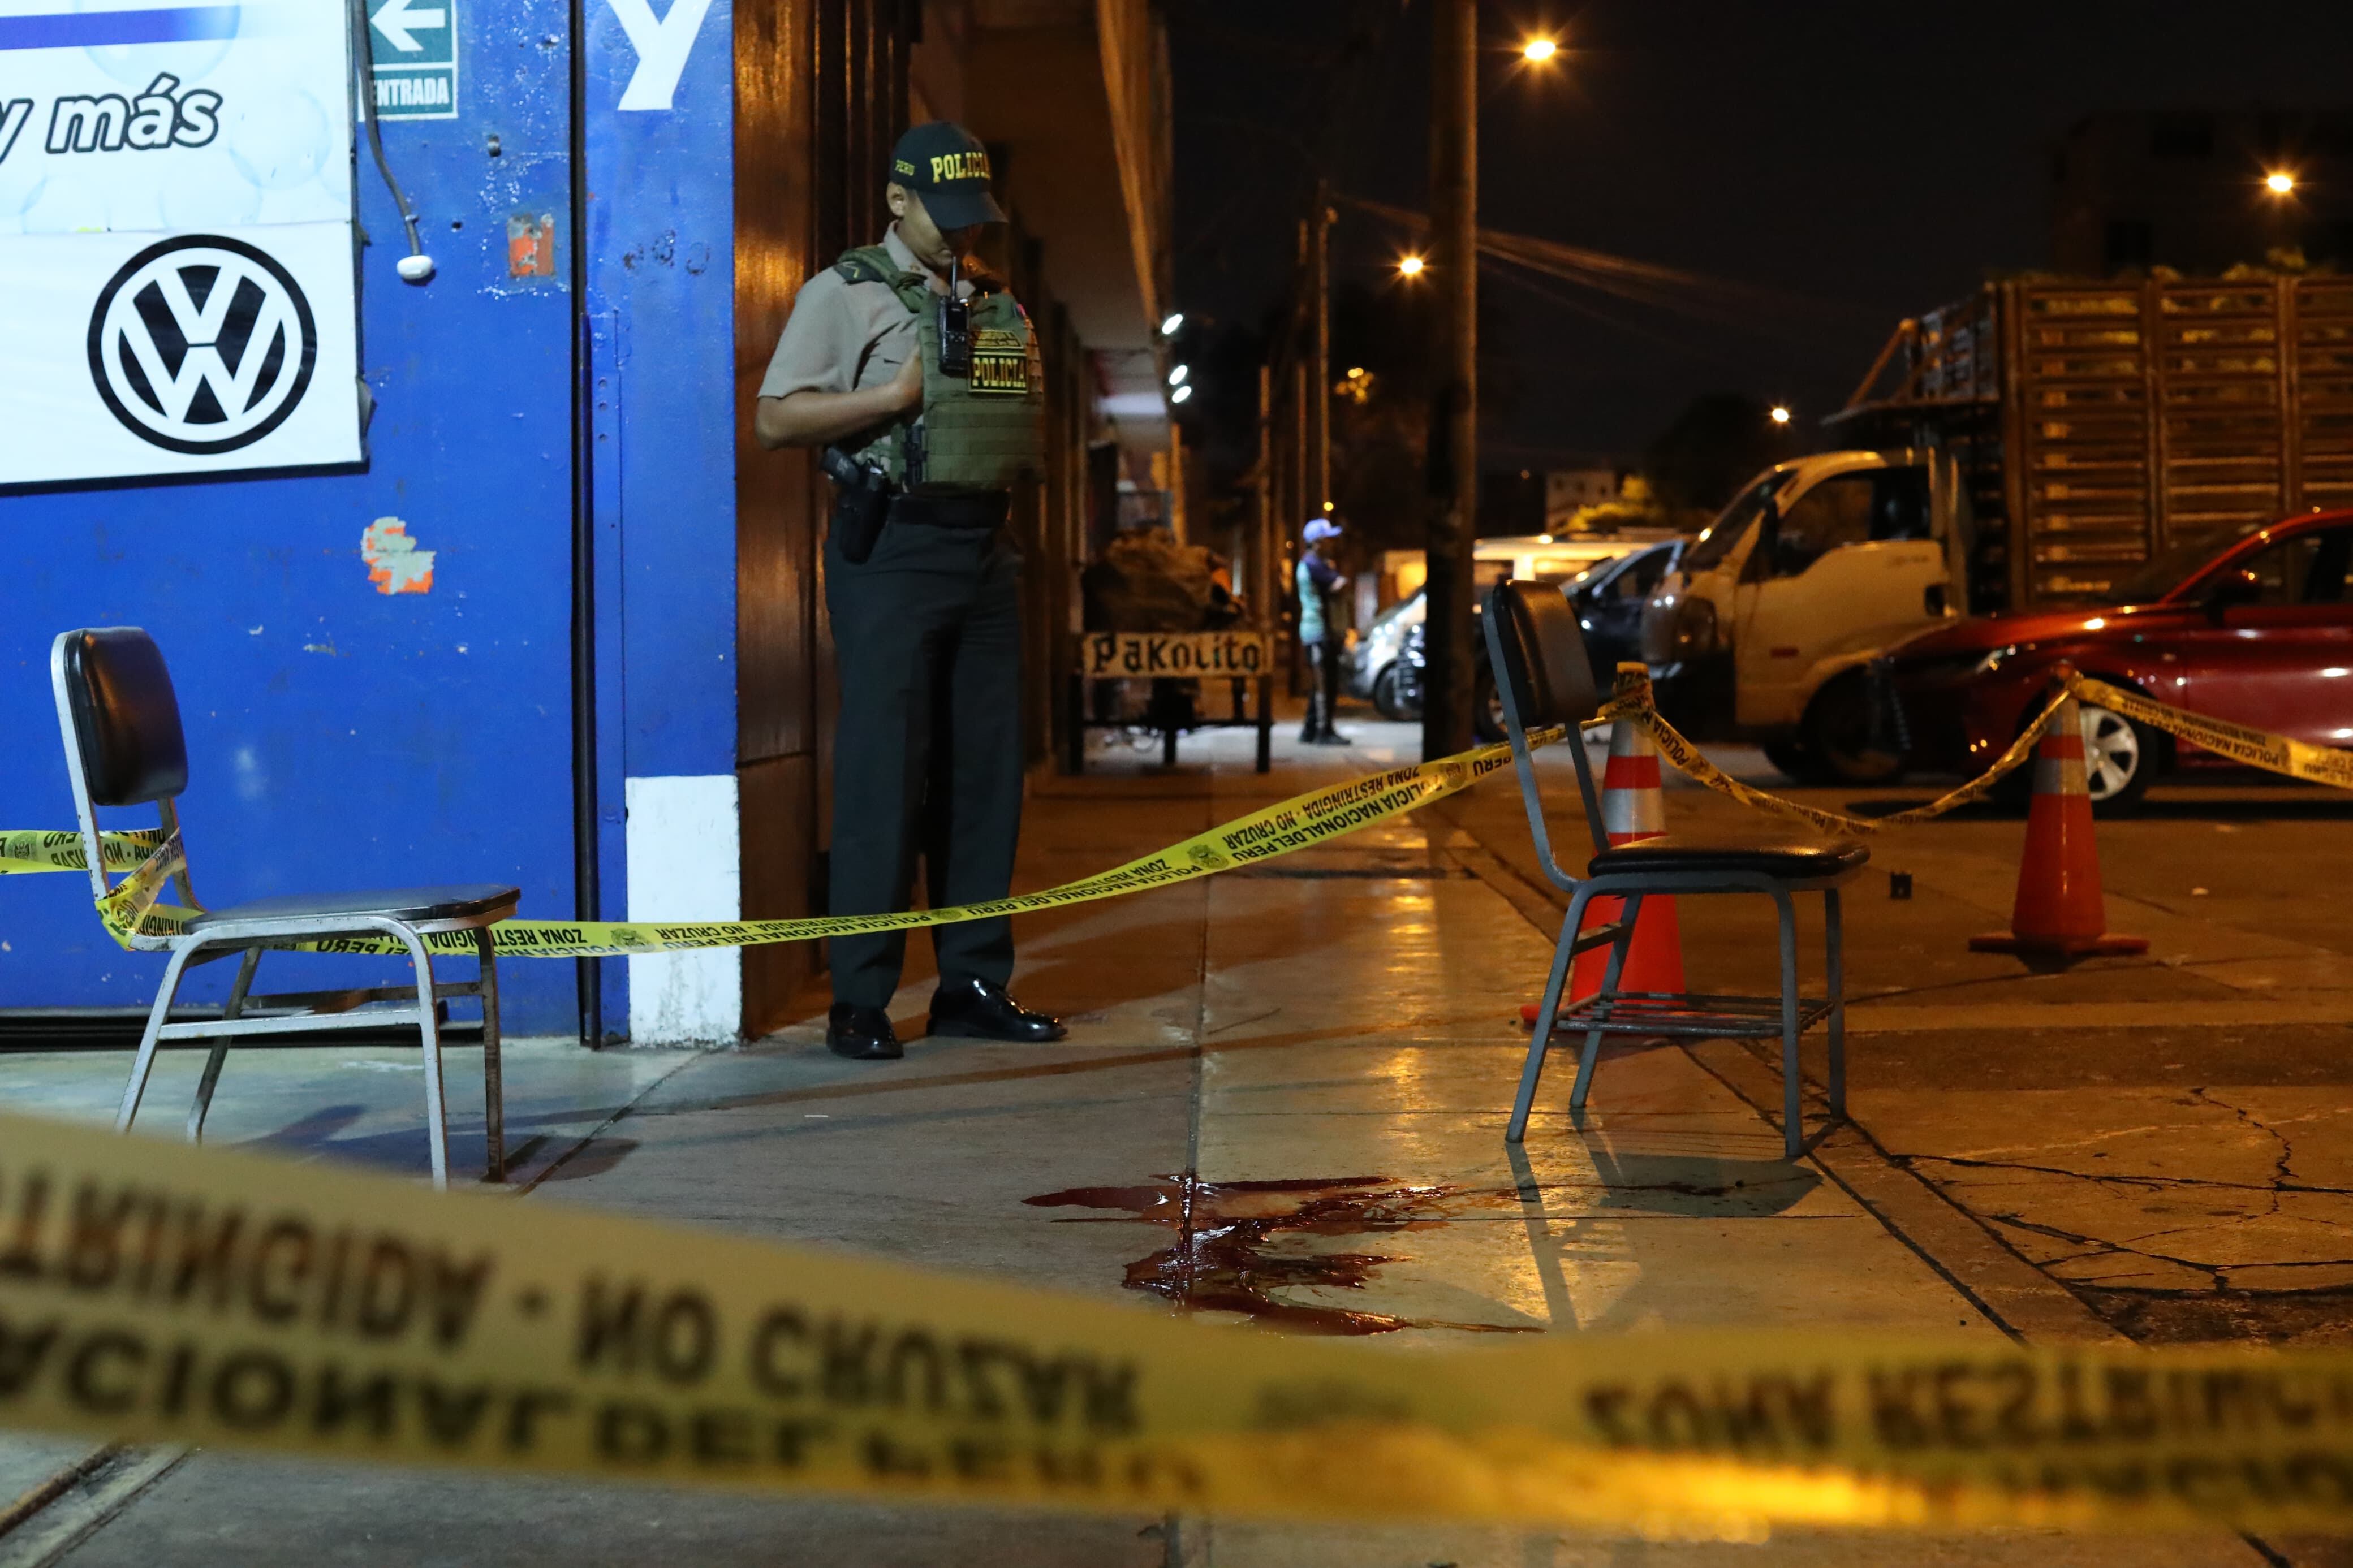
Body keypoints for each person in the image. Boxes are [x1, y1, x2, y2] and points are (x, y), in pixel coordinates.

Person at [752, 121, 1066, 1061]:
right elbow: (776, 417)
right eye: (946, 215)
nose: (963, 234)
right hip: (891, 545)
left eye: (975, 217)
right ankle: (861, 997)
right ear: (898, 200)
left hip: (985, 550)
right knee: (885, 775)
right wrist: (891, 400)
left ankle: (973, 983)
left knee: (983, 780)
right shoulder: (842, 294)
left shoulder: (990, 298)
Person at [1296, 517, 1350, 745]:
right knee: (1325, 685)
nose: (1332, 544)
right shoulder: (1314, 564)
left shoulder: (1314, 563)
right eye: (1329, 540)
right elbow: (1340, 585)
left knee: (1321, 683)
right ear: (1317, 543)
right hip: (1320, 632)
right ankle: (1323, 732)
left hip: (1318, 631)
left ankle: (1310, 730)